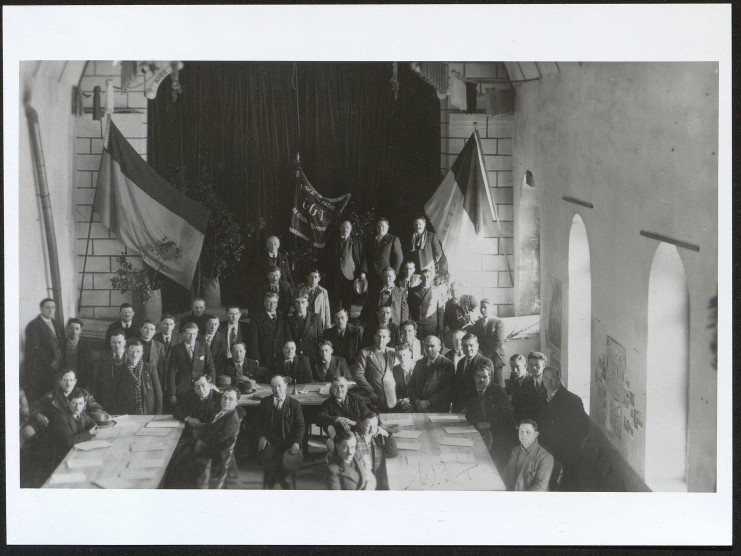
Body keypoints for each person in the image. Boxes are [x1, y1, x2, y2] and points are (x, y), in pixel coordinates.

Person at [166, 386, 242, 488]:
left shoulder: (232, 421)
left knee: (179, 461)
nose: (226, 401)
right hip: (205, 445)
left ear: (237, 402)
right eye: (224, 397)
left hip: (212, 455)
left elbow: (219, 444)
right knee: (177, 450)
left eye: (230, 399)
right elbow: (212, 427)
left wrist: (200, 446)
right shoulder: (222, 412)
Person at [536, 366, 590, 486]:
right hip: (546, 450)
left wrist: (564, 444)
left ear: (559, 378)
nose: (549, 382)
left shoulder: (572, 400)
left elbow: (583, 428)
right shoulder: (540, 397)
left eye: (552, 378)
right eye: (546, 378)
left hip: (566, 455)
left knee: (567, 487)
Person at [257, 375, 305, 489]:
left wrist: (296, 443)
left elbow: (301, 426)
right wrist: (262, 436)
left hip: (289, 443)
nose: (277, 389)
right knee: (266, 456)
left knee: (289, 460)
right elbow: (258, 423)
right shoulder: (265, 402)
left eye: (279, 386)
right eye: (273, 387)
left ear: (286, 386)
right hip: (271, 441)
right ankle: (281, 480)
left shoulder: (294, 404)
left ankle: (275, 480)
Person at [465, 364, 515, 469]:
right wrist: (477, 424)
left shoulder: (498, 391)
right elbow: (469, 414)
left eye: (485, 377)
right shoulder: (470, 391)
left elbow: (508, 415)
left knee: (494, 466)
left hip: (499, 434)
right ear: (474, 377)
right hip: (480, 432)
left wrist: (490, 424)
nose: (481, 380)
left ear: (490, 377)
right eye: (478, 376)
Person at [30, 369, 105, 433]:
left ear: (75, 381)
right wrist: (38, 415)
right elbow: (33, 407)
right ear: (60, 381)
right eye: (65, 380)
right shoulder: (51, 397)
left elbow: (96, 407)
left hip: (82, 430)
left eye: (71, 380)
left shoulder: (84, 394)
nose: (68, 384)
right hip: (61, 434)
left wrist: (86, 417)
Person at [45, 388, 98, 470]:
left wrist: (93, 427)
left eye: (80, 403)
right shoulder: (61, 417)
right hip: (63, 457)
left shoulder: (81, 412)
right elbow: (69, 440)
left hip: (78, 450)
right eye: (74, 403)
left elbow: (92, 423)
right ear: (68, 402)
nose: (77, 407)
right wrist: (89, 433)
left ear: (84, 404)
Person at [23, 298, 63, 401]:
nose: (51, 310)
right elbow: (35, 350)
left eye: (53, 307)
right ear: (41, 309)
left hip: (55, 367)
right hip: (42, 369)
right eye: (47, 307)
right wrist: (51, 362)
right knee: (45, 397)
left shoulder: (54, 322)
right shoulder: (34, 325)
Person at [167, 322, 216, 407]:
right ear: (183, 334)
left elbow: (210, 367)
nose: (191, 336)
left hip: (201, 387)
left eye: (194, 334)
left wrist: (212, 386)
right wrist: (173, 393)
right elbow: (172, 371)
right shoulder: (176, 349)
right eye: (189, 334)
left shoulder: (204, 346)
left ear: (197, 334)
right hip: (183, 388)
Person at [325, 220, 367, 313]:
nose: (345, 229)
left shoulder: (357, 241)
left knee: (347, 299)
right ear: (340, 228)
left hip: (350, 274)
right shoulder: (334, 241)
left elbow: (363, 257)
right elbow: (327, 257)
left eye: (347, 227)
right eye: (343, 227)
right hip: (335, 274)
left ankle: (346, 320)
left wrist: (362, 272)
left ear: (351, 229)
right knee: (334, 298)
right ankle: (334, 319)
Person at [352, 327, 398, 411]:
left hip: (393, 396)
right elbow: (358, 374)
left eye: (384, 337)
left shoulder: (393, 352)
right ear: (374, 337)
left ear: (388, 339)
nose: (381, 340)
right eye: (378, 336)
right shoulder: (365, 353)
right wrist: (370, 391)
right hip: (374, 396)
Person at [503, 419, 555, 491]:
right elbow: (505, 475)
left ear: (536, 434)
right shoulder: (515, 451)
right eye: (521, 432)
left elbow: (540, 488)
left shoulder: (546, 457)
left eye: (528, 432)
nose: (524, 435)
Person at [116, 339, 163, 415]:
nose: (134, 355)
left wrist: (158, 415)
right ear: (127, 353)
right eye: (131, 351)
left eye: (138, 351)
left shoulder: (150, 369)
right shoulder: (120, 370)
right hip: (126, 413)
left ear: (142, 353)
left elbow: (158, 394)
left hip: (148, 412)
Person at [409, 335, 455, 413]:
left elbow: (447, 389)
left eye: (432, 346)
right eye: (426, 346)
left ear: (439, 348)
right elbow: (411, 385)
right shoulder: (419, 363)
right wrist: (416, 401)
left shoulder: (448, 365)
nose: (429, 349)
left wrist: (429, 402)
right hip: (419, 408)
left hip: (438, 409)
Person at [452, 333, 496, 413]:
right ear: (461, 346)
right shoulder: (461, 362)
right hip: (460, 408)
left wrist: (469, 408)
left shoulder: (486, 362)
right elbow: (458, 387)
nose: (468, 348)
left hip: (476, 409)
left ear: (477, 346)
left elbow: (486, 390)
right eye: (465, 345)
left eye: (471, 345)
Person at [353, 412, 398, 489]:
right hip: (359, 480)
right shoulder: (354, 438)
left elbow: (392, 453)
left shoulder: (376, 438)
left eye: (374, 426)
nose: (371, 430)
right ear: (361, 425)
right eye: (368, 426)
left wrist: (386, 434)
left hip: (373, 477)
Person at [247, 292, 291, 369]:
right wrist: (255, 358)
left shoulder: (283, 316)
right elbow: (253, 340)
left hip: (280, 354)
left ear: (277, 304)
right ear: (264, 303)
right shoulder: (256, 318)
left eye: (274, 302)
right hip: (264, 355)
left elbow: (288, 335)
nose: (272, 304)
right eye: (269, 302)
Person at [92, 329, 127, 413]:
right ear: (110, 343)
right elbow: (96, 383)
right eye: (114, 342)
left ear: (125, 342)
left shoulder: (131, 358)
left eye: (119, 342)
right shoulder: (102, 358)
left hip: (126, 402)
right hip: (107, 402)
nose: (117, 345)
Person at [471, 299, 506, 382]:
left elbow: (498, 341)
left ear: (491, 308)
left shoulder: (498, 322)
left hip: (495, 357)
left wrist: (484, 353)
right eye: (481, 307)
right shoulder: (478, 323)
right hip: (482, 358)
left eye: (485, 307)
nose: (482, 310)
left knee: (497, 383)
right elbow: (475, 339)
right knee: (483, 381)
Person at [407, 267, 445, 340]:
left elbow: (440, 311)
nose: (426, 279)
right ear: (420, 277)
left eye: (428, 277)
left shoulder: (437, 291)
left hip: (431, 326)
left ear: (431, 277)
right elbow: (409, 310)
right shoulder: (413, 290)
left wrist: (440, 328)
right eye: (424, 277)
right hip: (417, 325)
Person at [367, 218, 403, 288]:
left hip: (386, 276)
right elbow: (367, 256)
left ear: (387, 227)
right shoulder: (371, 239)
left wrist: (393, 274)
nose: (381, 228)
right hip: (372, 274)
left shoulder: (393, 239)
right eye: (379, 226)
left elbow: (399, 258)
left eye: (383, 226)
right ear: (376, 228)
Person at [59, 318, 94, 390]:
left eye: (77, 329)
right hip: (65, 380)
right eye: (72, 328)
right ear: (68, 329)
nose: (74, 331)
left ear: (81, 330)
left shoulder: (86, 345)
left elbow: (90, 366)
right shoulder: (61, 344)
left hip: (81, 380)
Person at [287, 294, 322, 363]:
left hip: (312, 354)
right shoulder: (290, 319)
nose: (300, 305)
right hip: (298, 354)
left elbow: (320, 336)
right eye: (298, 302)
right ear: (294, 304)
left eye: (303, 302)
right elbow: (289, 338)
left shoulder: (315, 317)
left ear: (307, 304)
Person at [508, 354, 539, 423]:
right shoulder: (513, 380)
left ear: (525, 366)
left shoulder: (533, 381)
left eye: (517, 366)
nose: (515, 370)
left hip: (530, 421)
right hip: (518, 420)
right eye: (512, 367)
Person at [139, 319, 166, 387]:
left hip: (151, 381)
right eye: (146, 328)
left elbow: (161, 369)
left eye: (151, 329)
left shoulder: (159, 346)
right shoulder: (131, 343)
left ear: (154, 332)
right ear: (141, 329)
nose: (148, 331)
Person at [392, 343, 416, 412]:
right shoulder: (395, 370)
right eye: (399, 356)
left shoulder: (419, 367)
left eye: (404, 355)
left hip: (418, 403)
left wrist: (410, 399)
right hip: (403, 405)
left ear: (410, 354)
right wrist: (401, 401)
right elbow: (396, 390)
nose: (402, 358)